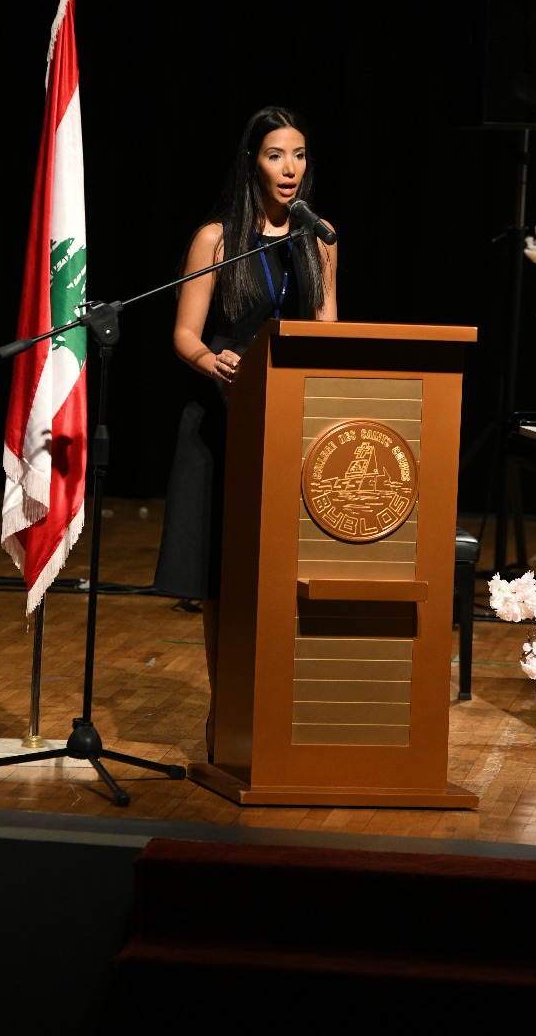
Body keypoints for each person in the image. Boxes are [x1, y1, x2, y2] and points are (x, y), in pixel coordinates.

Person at [153, 105, 338, 763]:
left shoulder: (319, 240)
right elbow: (185, 334)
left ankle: (281, 712)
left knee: (281, 574)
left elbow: (328, 335)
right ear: (252, 163)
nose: (290, 168)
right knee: (220, 574)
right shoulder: (216, 238)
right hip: (223, 418)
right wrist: (214, 362)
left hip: (290, 424)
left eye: (299, 155)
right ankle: (224, 710)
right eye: (275, 155)